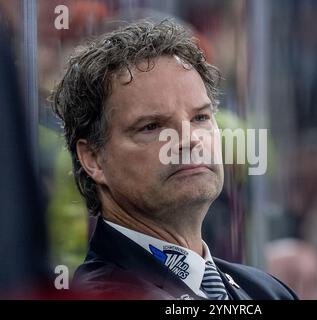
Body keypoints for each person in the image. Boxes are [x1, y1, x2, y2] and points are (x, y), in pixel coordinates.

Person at [51, 19, 297, 300]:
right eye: (152, 126)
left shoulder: (268, 291)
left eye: (201, 117)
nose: (189, 139)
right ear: (93, 158)